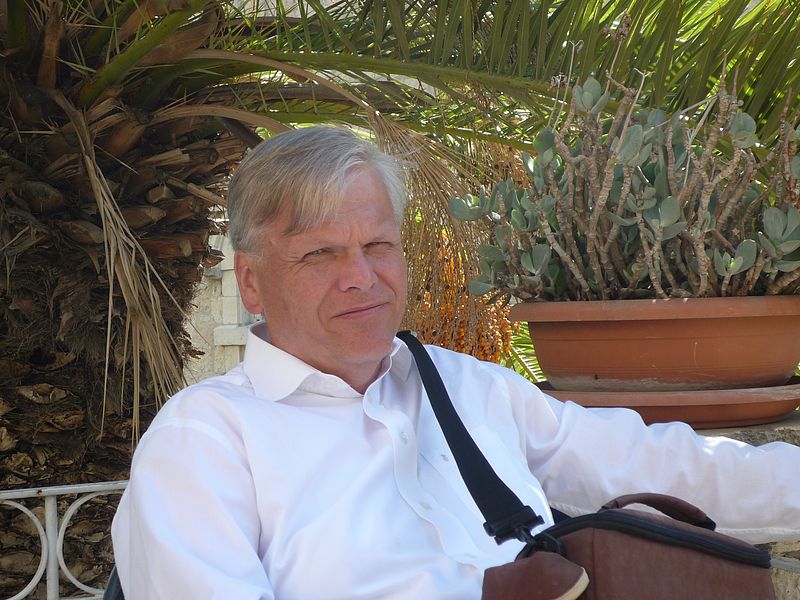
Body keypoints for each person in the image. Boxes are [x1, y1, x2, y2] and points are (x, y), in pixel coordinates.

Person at [111, 126, 800, 599]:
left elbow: (662, 465)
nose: (361, 279)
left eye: (378, 246)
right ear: (251, 281)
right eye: (320, 254)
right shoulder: (204, 441)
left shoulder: (468, 387)